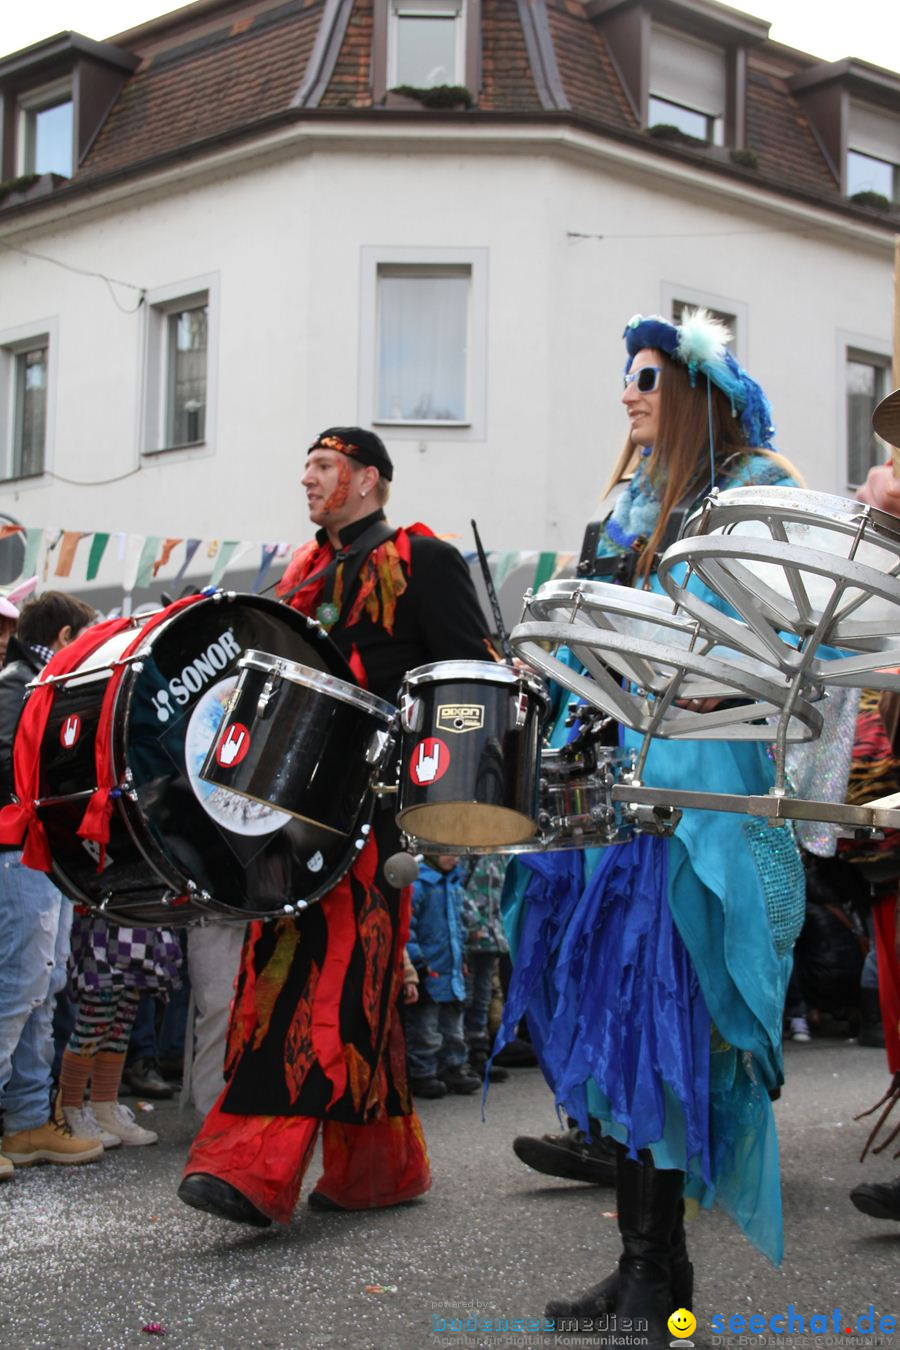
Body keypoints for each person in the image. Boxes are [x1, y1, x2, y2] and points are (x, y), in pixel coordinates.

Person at [499, 311, 805, 1344]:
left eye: (646, 377)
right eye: (623, 378)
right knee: (622, 1029)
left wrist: (727, 691)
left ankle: (655, 1275)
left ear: (698, 392)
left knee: (669, 1022)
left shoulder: (753, 491)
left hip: (692, 803)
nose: (627, 394)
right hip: (608, 794)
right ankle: (646, 1265)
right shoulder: (624, 508)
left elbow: (797, 634)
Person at [178, 426, 492, 1226]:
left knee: (323, 982)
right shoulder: (301, 578)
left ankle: (253, 1165)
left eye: (324, 467)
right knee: (343, 985)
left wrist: (445, 810)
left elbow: (471, 682)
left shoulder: (426, 561)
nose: (308, 479)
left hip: (374, 819)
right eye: (307, 465)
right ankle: (379, 1168)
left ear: (369, 481)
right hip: (285, 817)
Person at [0, 590, 104, 1174]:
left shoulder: (44, 686)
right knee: (17, 988)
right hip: (16, 850)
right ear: (64, 639)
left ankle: (28, 1123)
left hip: (41, 853)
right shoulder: (20, 685)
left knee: (44, 987)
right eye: (86, 642)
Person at [406, 854, 481, 1099]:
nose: (455, 858)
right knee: (425, 1026)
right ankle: (423, 1072)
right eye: (446, 851)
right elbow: (407, 927)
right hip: (429, 968)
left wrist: (463, 958)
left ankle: (453, 1066)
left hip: (452, 968)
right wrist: (417, 962)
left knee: (453, 1024)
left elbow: (458, 926)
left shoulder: (453, 884)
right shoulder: (419, 884)